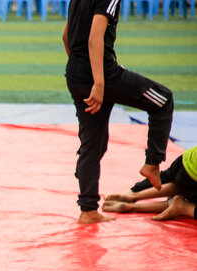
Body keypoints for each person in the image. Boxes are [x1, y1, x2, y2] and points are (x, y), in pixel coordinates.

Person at [62, 0, 174, 224]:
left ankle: (88, 210)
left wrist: (81, 72)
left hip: (76, 75)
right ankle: (152, 163)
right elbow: (95, 37)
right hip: (103, 76)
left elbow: (66, 36)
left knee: (92, 144)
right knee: (163, 100)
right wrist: (99, 83)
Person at [102, 145, 197, 221]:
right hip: (189, 180)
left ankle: (133, 194)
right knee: (187, 190)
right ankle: (185, 208)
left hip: (186, 160)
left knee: (172, 179)